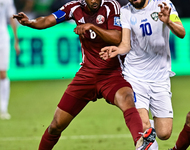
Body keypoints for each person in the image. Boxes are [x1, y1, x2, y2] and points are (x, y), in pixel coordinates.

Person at [13, 0, 156, 149]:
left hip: (112, 74)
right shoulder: (74, 8)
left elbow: (117, 37)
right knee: (56, 125)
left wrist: (92, 26)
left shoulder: (111, 6)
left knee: (127, 99)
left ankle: (140, 143)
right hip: (86, 75)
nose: (94, 1)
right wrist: (30, 22)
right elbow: (47, 19)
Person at [100, 0, 185, 149]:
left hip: (160, 77)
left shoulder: (164, 4)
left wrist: (168, 22)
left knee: (164, 133)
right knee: (143, 126)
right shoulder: (126, 11)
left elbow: (182, 33)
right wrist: (117, 50)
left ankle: (150, 126)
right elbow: (126, 45)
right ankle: (146, 128)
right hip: (135, 76)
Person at [0, 0, 20, 120]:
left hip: (3, 39)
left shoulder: (6, 0)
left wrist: (16, 40)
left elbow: (12, 17)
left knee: (3, 73)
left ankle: (3, 108)